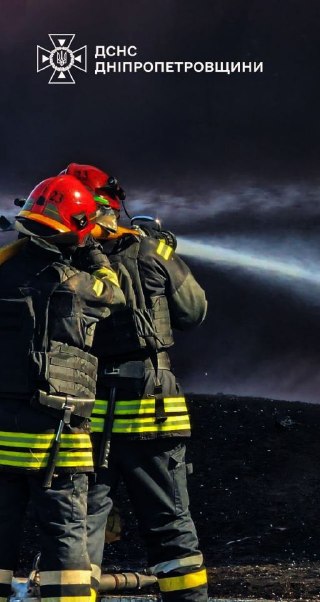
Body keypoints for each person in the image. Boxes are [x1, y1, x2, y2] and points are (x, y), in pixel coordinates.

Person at [63, 164, 209, 602]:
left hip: (86, 414)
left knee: (83, 529)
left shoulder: (66, 260)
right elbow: (193, 312)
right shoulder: (150, 254)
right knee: (170, 528)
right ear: (111, 205)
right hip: (151, 411)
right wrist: (163, 254)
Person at [0, 174, 124, 602]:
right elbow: (114, 294)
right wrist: (94, 251)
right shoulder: (72, 283)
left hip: (2, 431)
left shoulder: (5, 270)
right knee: (66, 534)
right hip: (57, 430)